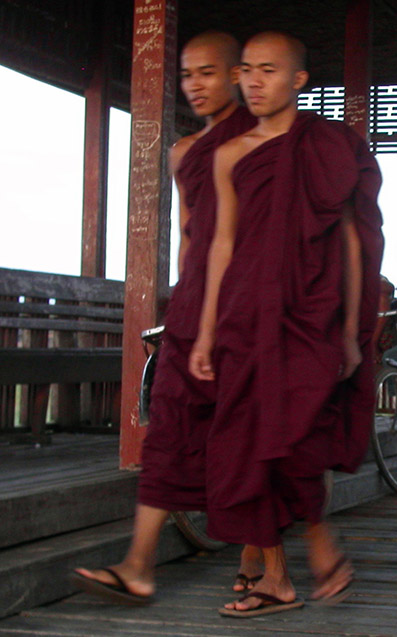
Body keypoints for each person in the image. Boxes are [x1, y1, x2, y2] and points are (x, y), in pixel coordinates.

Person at [188, 31, 384, 617]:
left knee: (295, 435)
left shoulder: (326, 145)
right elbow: (218, 246)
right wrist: (203, 331)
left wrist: (351, 326)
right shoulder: (230, 153)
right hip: (244, 317)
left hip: (310, 314)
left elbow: (352, 241)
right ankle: (279, 569)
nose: (252, 81)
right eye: (245, 69)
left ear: (297, 80)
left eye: (268, 70)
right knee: (251, 439)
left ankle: (295, 553)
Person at [71, 31, 258, 604]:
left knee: (247, 435)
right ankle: (138, 565)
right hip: (192, 307)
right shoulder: (183, 153)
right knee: (169, 429)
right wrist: (181, 304)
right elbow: (187, 237)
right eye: (186, 75)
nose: (195, 85)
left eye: (208, 73)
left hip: (246, 307)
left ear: (235, 76)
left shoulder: (258, 143)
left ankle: (260, 565)